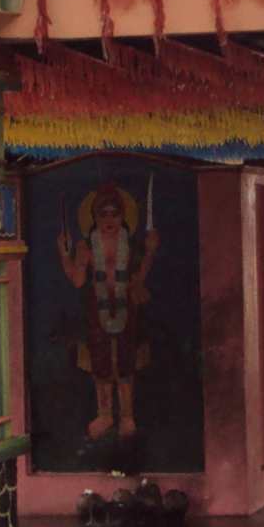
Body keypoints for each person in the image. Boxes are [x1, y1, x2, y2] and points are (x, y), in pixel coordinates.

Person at [57, 184, 159, 441]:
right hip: (97, 311)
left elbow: (138, 277)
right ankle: (105, 414)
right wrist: (64, 254)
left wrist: (150, 252)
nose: (109, 219)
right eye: (103, 214)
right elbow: (79, 280)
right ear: (94, 218)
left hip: (127, 307)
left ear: (123, 216)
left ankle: (126, 415)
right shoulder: (86, 247)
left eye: (114, 214)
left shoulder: (131, 245)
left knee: (125, 364)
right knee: (101, 364)